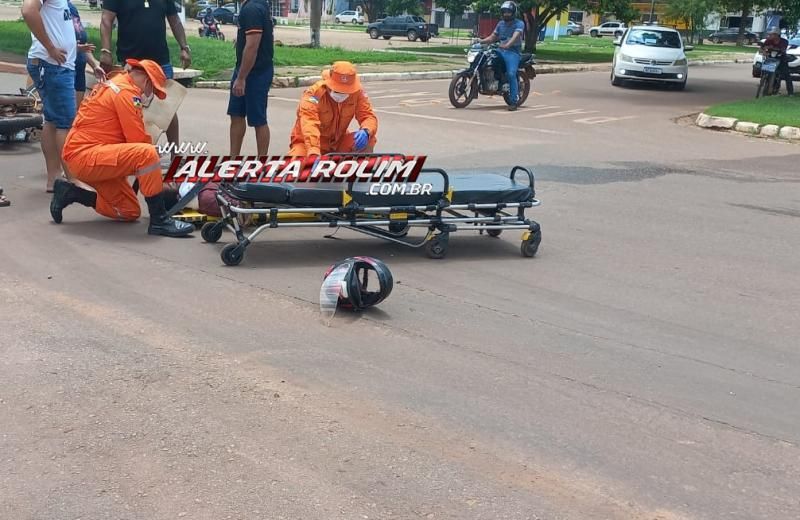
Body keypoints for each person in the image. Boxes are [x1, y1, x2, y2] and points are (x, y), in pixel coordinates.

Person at [51, 59, 194, 238]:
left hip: (91, 156)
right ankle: (160, 220)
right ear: (147, 82)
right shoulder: (126, 93)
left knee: (128, 211)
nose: (150, 95)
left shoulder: (117, 85)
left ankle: (71, 193)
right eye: (153, 91)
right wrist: (157, 178)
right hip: (86, 157)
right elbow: (138, 141)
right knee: (148, 154)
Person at [99, 0, 192, 148]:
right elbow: (106, 20)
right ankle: (137, 152)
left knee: (168, 109)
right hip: (131, 64)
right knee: (132, 109)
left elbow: (174, 20)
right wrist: (106, 50)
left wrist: (184, 47)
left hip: (160, 62)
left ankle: (175, 152)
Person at [22, 0, 77, 192]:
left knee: (53, 121)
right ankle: (73, 180)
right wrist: (51, 48)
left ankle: (55, 178)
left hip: (56, 66)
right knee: (65, 123)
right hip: (53, 66)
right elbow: (28, 10)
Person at [287, 61, 378, 157]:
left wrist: (366, 131)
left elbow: (368, 115)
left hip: (337, 143)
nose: (342, 94)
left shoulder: (357, 92)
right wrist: (313, 151)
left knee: (369, 139)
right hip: (307, 144)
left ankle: (360, 169)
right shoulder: (314, 94)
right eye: (338, 90)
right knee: (296, 165)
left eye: (346, 91)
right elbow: (309, 123)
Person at [228, 0, 274, 156]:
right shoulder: (257, 4)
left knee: (258, 119)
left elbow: (253, 46)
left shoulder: (252, 9)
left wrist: (241, 78)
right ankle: (232, 161)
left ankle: (260, 165)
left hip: (255, 72)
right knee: (236, 114)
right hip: (244, 69)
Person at [477, 1, 525, 111]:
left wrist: (508, 45)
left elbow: (516, 36)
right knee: (486, 60)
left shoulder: (519, 23)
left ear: (513, 12)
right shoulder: (500, 24)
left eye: (508, 12)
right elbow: (492, 37)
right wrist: (481, 41)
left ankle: (514, 100)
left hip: (512, 52)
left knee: (511, 74)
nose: (506, 14)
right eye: (504, 12)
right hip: (500, 50)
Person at [68, 1, 106, 106]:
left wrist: (94, 65)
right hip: (63, 72)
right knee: (62, 117)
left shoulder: (71, 8)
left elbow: (83, 45)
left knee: (74, 117)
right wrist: (73, 48)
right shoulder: (52, 7)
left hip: (79, 70)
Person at [762, 27, 794, 96]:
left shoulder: (784, 41)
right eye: (770, 35)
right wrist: (764, 52)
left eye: (772, 34)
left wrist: (772, 48)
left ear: (777, 35)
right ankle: (764, 83)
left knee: (786, 75)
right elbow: (762, 48)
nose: (770, 36)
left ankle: (790, 92)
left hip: (781, 59)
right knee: (766, 71)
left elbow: (783, 49)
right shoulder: (768, 41)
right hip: (771, 59)